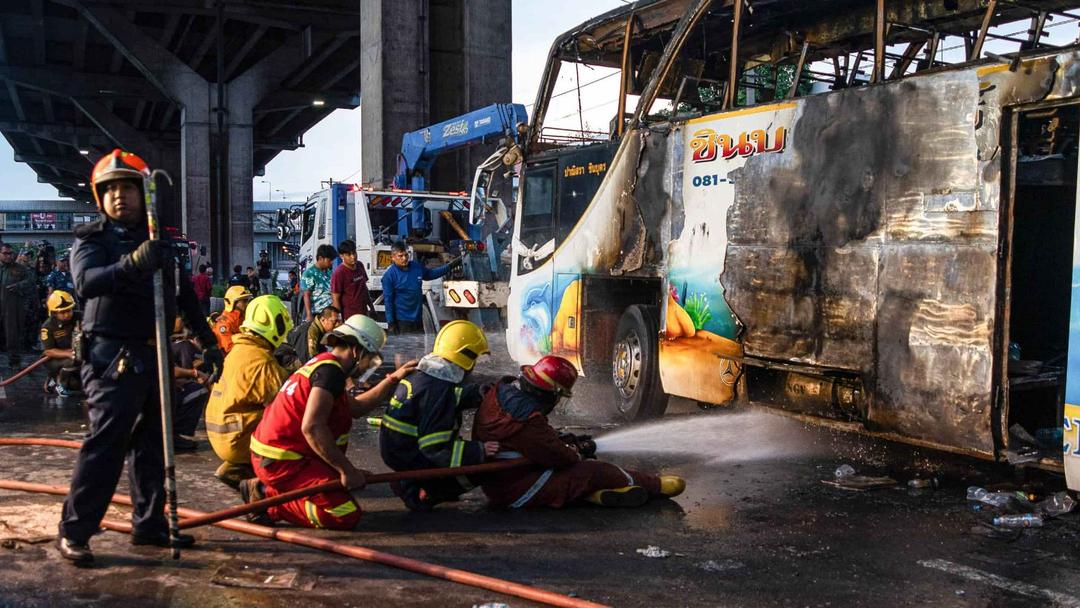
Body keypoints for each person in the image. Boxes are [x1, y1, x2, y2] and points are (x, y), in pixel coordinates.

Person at [56, 149, 224, 565]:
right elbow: (86, 283)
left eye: (126, 188)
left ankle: (148, 525)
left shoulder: (162, 243)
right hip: (111, 355)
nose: (118, 197)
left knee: (153, 444)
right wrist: (132, 263)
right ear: (100, 198)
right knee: (107, 443)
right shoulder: (92, 239)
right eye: (110, 189)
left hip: (155, 355)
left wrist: (210, 343)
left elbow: (184, 298)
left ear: (143, 193)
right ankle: (75, 531)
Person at [245, 315, 416, 529]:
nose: (367, 368)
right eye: (370, 360)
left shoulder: (325, 365)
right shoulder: (330, 374)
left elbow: (354, 408)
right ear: (357, 350)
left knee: (344, 488)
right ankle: (267, 498)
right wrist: (345, 470)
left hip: (285, 456)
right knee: (344, 514)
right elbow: (313, 427)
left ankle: (271, 490)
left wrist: (391, 380)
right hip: (283, 463)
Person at [474, 355, 686, 508]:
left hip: (503, 481)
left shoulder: (502, 392)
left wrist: (564, 440)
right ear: (552, 393)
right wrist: (578, 451)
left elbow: (532, 443)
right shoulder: (528, 419)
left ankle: (597, 495)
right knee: (591, 471)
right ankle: (656, 486)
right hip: (516, 489)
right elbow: (558, 457)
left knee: (577, 482)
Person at [379, 320, 495, 510]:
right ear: (465, 358)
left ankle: (413, 481)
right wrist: (478, 451)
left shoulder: (427, 375)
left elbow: (451, 397)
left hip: (398, 448)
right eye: (474, 360)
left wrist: (477, 393)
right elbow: (435, 448)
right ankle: (423, 493)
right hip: (410, 455)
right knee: (482, 468)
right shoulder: (438, 389)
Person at [206, 295, 293, 489]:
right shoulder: (261, 360)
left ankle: (236, 469)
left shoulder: (239, 349)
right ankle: (264, 483)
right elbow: (285, 398)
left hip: (220, 433)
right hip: (235, 438)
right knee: (291, 419)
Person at [381, 241, 460, 334]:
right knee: (405, 347)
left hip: (418, 319)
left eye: (406, 255)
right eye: (400, 256)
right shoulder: (389, 276)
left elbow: (432, 274)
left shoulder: (416, 267)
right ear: (393, 257)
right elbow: (388, 301)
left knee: (418, 346)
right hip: (402, 321)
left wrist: (451, 265)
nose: (404, 258)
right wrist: (391, 323)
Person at [171, 318, 209, 452]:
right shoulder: (185, 346)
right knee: (198, 391)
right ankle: (174, 435)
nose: (179, 318)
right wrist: (194, 373)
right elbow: (174, 370)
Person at [40, 289, 81, 396]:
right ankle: (58, 383)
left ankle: (59, 379)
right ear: (54, 313)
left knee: (77, 385)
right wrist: (69, 353)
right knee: (72, 360)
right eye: (62, 312)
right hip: (53, 359)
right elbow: (49, 351)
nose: (67, 314)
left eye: (69, 310)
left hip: (76, 354)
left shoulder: (79, 317)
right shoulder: (48, 326)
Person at [0, 242, 34, 369]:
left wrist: (18, 286)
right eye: (5, 253)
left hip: (12, 307)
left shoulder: (20, 269)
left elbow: (30, 281)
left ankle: (14, 361)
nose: (9, 256)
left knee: (12, 335)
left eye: (10, 253)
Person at [331, 239, 374, 320]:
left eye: (354, 253)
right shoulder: (339, 273)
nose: (353, 257)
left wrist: (372, 307)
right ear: (341, 256)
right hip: (349, 317)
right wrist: (339, 319)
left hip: (363, 313)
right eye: (349, 254)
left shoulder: (360, 265)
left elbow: (364, 288)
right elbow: (335, 298)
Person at [213, 285, 253, 353]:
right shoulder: (223, 324)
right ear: (233, 302)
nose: (247, 304)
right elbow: (229, 348)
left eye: (248, 301)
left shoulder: (244, 317)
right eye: (244, 301)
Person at [301, 245, 335, 322]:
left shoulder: (330, 272)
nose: (332, 262)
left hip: (330, 314)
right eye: (329, 260)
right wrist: (309, 314)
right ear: (320, 258)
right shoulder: (309, 274)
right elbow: (306, 295)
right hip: (317, 314)